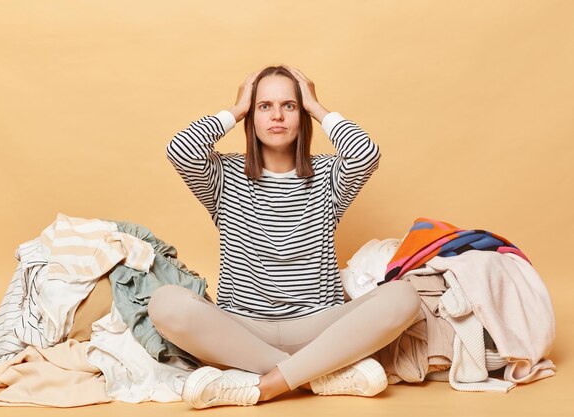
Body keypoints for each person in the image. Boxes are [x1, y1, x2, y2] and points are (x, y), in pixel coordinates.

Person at [149, 65, 421, 409]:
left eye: (289, 106)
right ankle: (314, 376)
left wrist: (316, 106)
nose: (277, 115)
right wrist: (234, 111)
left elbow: (365, 155)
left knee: (403, 297)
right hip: (243, 329)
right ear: (251, 116)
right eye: (264, 106)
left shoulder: (327, 175)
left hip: (320, 327)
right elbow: (181, 151)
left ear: (302, 114)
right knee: (165, 303)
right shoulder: (224, 175)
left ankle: (266, 385)